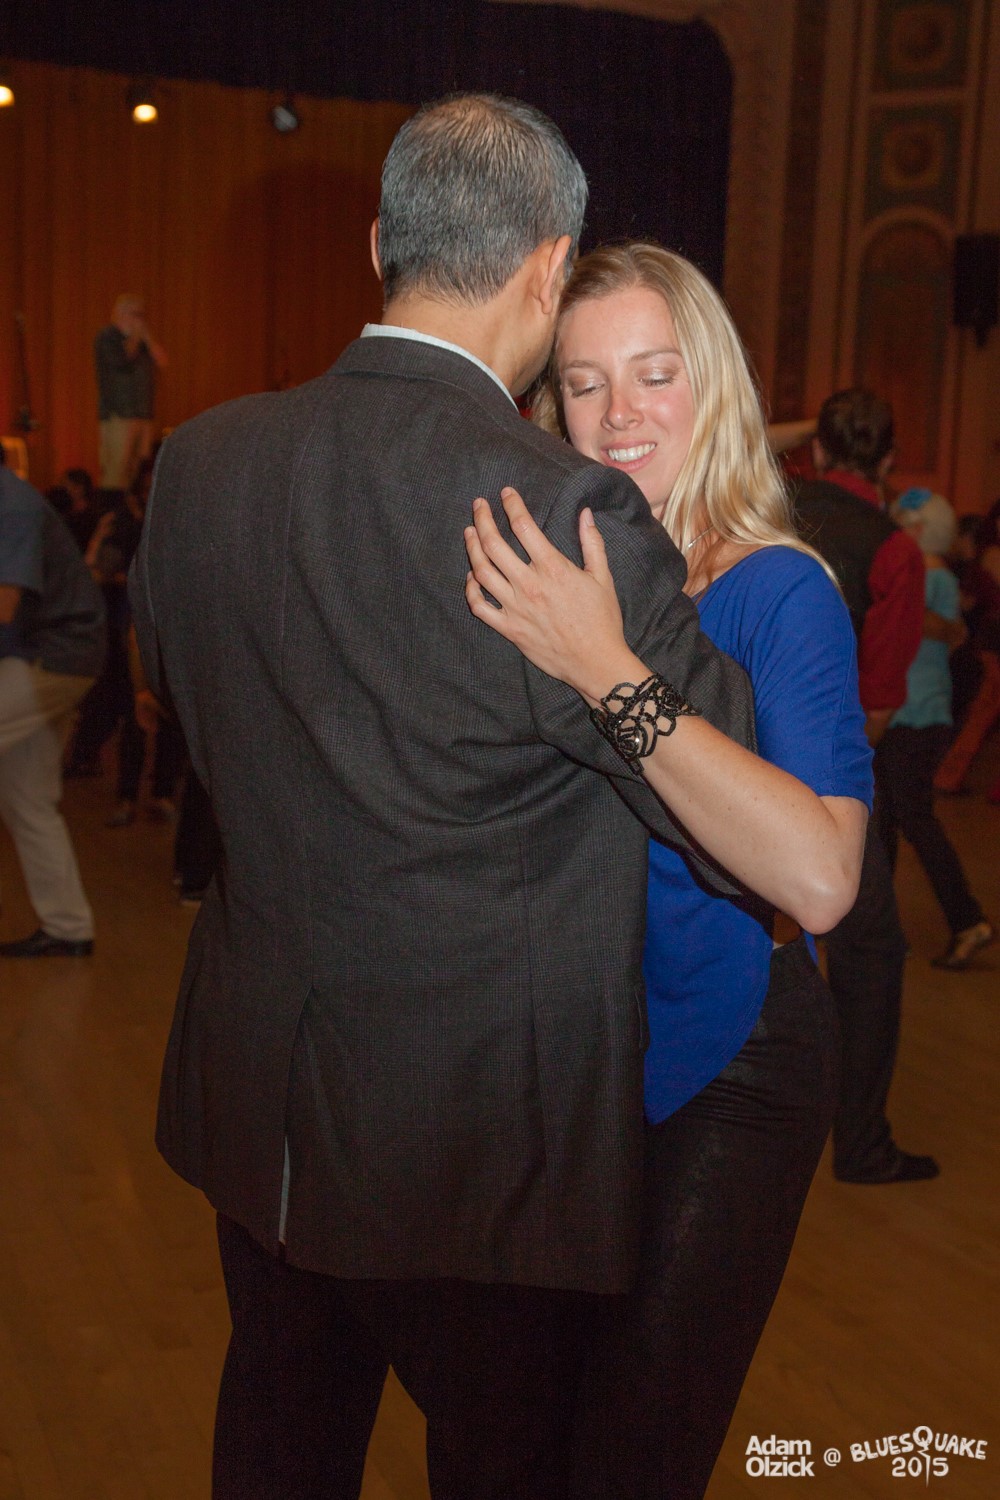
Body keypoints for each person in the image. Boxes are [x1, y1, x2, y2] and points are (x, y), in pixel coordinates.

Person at [130, 96, 758, 1500]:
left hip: (262, 1109)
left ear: (379, 246)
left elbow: (178, 708)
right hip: (479, 1149)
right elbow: (726, 815)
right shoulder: (565, 510)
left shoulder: (201, 465)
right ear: (550, 267)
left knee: (279, 1442)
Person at [463, 242, 870, 1500]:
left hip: (731, 1059)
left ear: (715, 388)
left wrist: (606, 670)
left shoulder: (777, 588)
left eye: (654, 372)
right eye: (585, 382)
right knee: (510, 1449)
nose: (619, 412)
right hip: (573, 1064)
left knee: (629, 1458)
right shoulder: (557, 581)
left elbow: (821, 878)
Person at [794, 389, 939, 1184]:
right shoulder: (894, 553)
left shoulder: (767, 505)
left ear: (817, 451)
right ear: (887, 462)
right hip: (824, 775)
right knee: (872, 950)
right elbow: (879, 703)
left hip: (718, 748)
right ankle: (860, 1143)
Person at [876, 489, 993, 967]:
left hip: (914, 715)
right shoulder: (932, 574)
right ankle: (878, 928)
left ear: (920, 528)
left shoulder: (928, 574)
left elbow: (931, 629)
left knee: (913, 821)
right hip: (914, 712)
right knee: (886, 820)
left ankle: (968, 920)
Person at [0, 444, 105, 958]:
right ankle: (68, 926)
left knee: (28, 800)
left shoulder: (12, 505)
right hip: (47, 655)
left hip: (54, 656)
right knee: (26, 798)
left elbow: (3, 605)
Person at [934, 499, 1000, 801]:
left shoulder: (984, 557)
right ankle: (948, 776)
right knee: (979, 715)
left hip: (985, 644)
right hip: (989, 646)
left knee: (979, 714)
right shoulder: (988, 557)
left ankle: (948, 776)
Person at [94, 293, 167, 490]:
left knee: (136, 468)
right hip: (119, 413)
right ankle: (111, 505)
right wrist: (136, 337)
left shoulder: (142, 341)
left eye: (141, 314)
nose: (139, 319)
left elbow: (162, 361)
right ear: (121, 313)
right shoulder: (108, 337)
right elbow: (122, 362)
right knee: (117, 467)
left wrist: (148, 338)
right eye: (135, 314)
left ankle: (128, 503)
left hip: (143, 413)